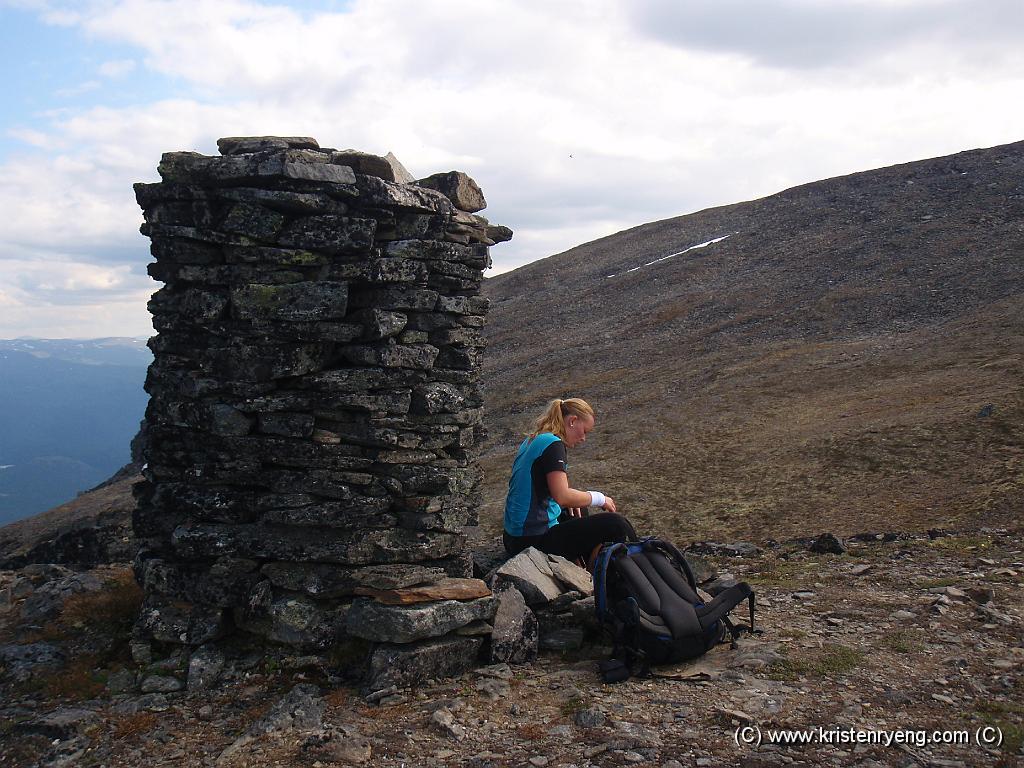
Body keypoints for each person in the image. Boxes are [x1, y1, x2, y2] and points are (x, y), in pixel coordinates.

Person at [503, 397, 637, 564]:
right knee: (617, 524)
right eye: (585, 431)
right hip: (531, 541)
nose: (583, 439)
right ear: (573, 421)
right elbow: (562, 496)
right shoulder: (553, 444)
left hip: (513, 538)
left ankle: (582, 565)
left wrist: (576, 501)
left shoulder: (535, 438)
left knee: (579, 508)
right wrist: (600, 498)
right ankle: (607, 575)